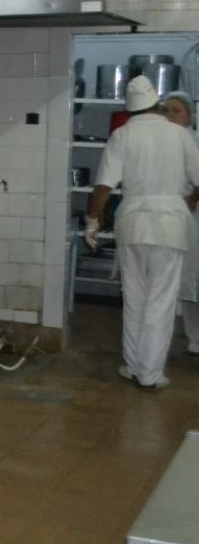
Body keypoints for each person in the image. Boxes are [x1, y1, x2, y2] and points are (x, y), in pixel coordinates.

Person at [86, 76, 199, 389]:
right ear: (156, 104)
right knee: (160, 301)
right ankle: (149, 373)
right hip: (170, 226)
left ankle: (134, 365)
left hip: (132, 223)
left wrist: (92, 220)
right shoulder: (180, 135)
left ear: (129, 108)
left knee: (134, 298)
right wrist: (191, 199)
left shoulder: (122, 135)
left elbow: (104, 186)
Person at [160, 91, 199, 354]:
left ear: (189, 116)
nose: (171, 115)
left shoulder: (195, 141)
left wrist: (194, 197)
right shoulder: (162, 142)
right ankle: (165, 337)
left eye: (176, 111)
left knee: (193, 277)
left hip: (193, 218)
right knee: (171, 278)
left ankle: (196, 336)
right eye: (167, 111)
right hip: (168, 217)